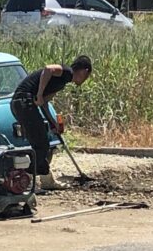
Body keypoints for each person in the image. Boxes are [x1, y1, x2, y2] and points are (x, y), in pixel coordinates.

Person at [10, 55, 93, 192]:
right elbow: (48, 69)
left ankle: (46, 180)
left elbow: (45, 104)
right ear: (84, 71)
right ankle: (28, 182)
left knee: (43, 142)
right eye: (86, 76)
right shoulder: (66, 72)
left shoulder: (62, 83)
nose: (84, 80)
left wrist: (53, 123)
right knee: (41, 144)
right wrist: (40, 93)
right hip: (23, 101)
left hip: (24, 104)